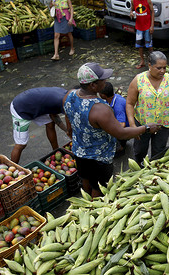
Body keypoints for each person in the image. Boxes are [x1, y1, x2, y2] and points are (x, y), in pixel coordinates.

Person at [64, 63, 160, 196]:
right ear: (93, 85)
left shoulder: (69, 95)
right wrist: (146, 128)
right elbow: (121, 133)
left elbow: (67, 116)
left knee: (85, 177)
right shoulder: (100, 109)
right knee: (99, 187)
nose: (106, 81)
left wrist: (70, 130)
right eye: (102, 79)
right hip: (99, 157)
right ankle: (94, 207)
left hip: (79, 150)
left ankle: (85, 196)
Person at [126, 51, 169, 163]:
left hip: (163, 125)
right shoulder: (138, 80)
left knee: (158, 153)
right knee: (139, 151)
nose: (162, 71)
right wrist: (132, 125)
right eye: (158, 68)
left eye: (164, 68)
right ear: (149, 66)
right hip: (143, 125)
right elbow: (129, 103)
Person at [10, 87, 69, 163]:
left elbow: (53, 116)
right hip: (20, 109)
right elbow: (56, 117)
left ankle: (56, 151)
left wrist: (66, 131)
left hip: (35, 105)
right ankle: (12, 168)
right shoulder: (63, 103)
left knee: (50, 124)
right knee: (21, 144)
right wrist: (69, 131)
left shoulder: (64, 95)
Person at [99, 82, 129, 156]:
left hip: (127, 128)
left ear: (103, 95)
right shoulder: (111, 99)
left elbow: (122, 125)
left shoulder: (118, 105)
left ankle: (120, 147)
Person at [130, 0, 154, 69]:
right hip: (139, 27)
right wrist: (131, 13)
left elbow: (152, 12)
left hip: (147, 27)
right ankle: (142, 61)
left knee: (149, 45)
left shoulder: (148, 1)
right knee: (139, 45)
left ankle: (152, 61)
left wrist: (152, 25)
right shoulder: (133, 1)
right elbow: (132, 9)